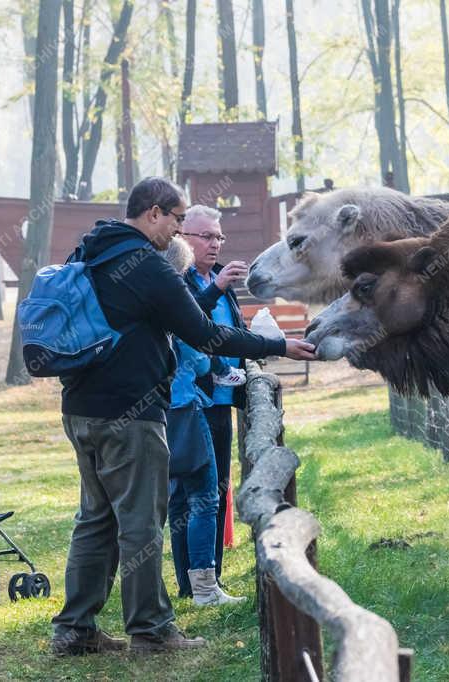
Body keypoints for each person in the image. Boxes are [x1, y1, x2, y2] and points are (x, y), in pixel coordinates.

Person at [50, 178, 316, 656]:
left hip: (80, 409)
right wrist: (278, 345)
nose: (177, 232)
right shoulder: (147, 266)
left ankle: (75, 630)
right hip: (130, 415)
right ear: (154, 213)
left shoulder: (87, 251)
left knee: (95, 519)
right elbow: (205, 334)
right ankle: (151, 631)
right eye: (175, 220)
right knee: (140, 522)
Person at [159, 236, 245, 606]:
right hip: (186, 408)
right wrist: (222, 368)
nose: (216, 243)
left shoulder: (143, 301)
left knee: (176, 499)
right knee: (205, 498)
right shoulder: (176, 303)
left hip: (157, 412)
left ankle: (184, 583)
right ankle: (205, 587)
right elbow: (197, 356)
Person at [179, 205, 249, 582]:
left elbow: (231, 331)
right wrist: (217, 289)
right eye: (205, 236)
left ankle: (212, 578)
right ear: (182, 236)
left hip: (223, 401)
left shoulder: (221, 279)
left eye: (218, 237)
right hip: (191, 402)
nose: (214, 244)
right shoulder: (180, 279)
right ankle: (193, 581)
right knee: (189, 496)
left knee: (219, 488)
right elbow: (190, 325)